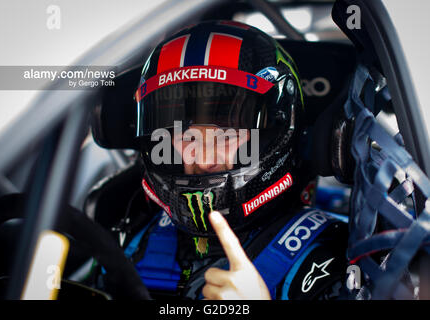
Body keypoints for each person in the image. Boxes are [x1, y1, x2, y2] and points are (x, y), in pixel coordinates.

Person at [96, 20, 350, 300]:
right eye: (187, 138)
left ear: (273, 133)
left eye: (227, 136)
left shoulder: (330, 258)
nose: (204, 159)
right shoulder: (134, 238)